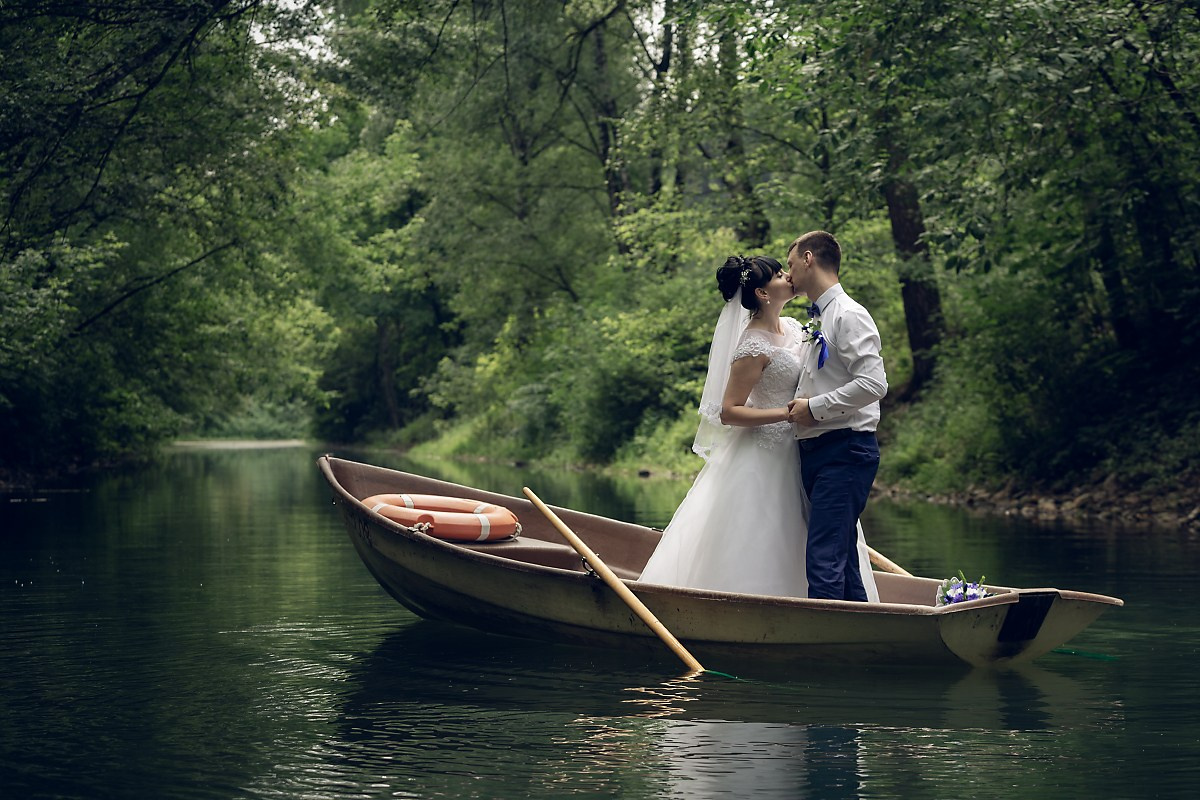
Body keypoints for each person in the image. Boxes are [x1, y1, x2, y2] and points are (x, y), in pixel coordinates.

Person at [638, 255, 878, 601]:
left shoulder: (797, 328)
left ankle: (832, 606)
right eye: (780, 274)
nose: (788, 276)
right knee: (764, 532)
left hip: (806, 448)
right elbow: (729, 411)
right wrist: (786, 414)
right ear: (764, 293)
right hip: (765, 450)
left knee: (821, 535)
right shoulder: (752, 345)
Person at [786, 231, 888, 602]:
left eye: (792, 263)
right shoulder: (819, 316)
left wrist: (814, 408)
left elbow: (874, 384)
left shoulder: (849, 314)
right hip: (819, 452)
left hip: (845, 451)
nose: (789, 272)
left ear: (809, 258)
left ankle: (824, 651)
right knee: (840, 560)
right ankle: (861, 641)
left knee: (823, 558)